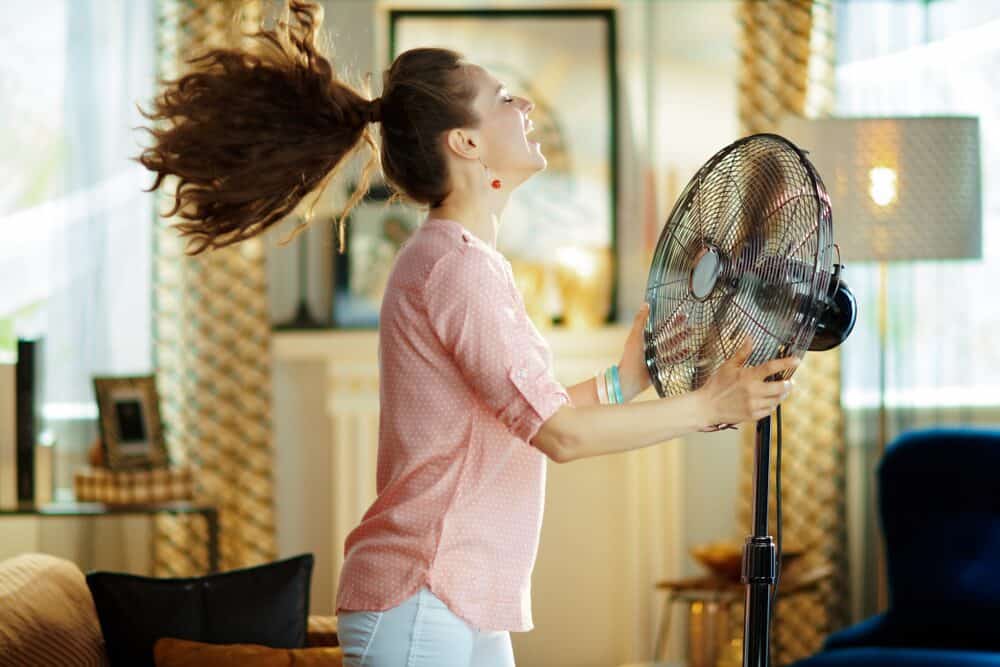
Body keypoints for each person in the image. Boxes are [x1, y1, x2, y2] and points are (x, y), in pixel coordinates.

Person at [134, 2, 798, 665]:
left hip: (460, 598)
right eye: (504, 98)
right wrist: (710, 406)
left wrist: (628, 378)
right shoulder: (454, 266)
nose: (526, 105)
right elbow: (560, 436)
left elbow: (516, 419)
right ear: (466, 143)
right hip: (423, 591)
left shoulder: (465, 261)